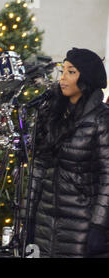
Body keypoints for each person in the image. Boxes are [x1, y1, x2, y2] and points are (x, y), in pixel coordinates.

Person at [27, 47, 109, 258]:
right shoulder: (51, 114)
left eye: (71, 72)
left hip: (82, 228)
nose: (62, 78)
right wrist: (26, 219)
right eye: (62, 71)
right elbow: (37, 167)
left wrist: (99, 226)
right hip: (45, 227)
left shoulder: (101, 119)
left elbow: (108, 177)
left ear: (86, 78)